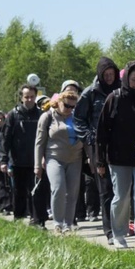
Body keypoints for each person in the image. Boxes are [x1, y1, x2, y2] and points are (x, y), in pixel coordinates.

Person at [96, 61, 135, 251]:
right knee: (121, 197)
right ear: (126, 78)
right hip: (118, 156)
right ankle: (119, 234)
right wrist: (100, 160)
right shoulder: (114, 98)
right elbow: (102, 131)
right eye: (134, 79)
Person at [75, 57, 121, 243]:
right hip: (98, 147)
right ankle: (109, 231)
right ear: (100, 75)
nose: (109, 78)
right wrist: (89, 138)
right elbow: (78, 119)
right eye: (106, 75)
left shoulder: (121, 90)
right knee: (105, 189)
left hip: (119, 145)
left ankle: (122, 226)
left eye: (112, 74)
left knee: (123, 189)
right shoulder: (90, 93)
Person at [35, 89, 84, 234]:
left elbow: (85, 138)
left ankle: (68, 224)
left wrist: (93, 161)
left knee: (72, 192)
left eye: (73, 107)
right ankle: (57, 223)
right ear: (59, 102)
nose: (70, 109)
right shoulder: (47, 117)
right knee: (58, 188)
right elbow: (39, 142)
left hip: (75, 158)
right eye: (67, 106)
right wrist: (37, 165)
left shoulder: (77, 118)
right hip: (54, 158)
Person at [0, 84, 49, 227]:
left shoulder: (41, 115)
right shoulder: (13, 115)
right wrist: (4, 160)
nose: (29, 99)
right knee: (19, 193)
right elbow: (5, 139)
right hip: (18, 161)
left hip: (37, 162)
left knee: (38, 192)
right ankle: (19, 220)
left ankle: (38, 221)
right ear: (21, 98)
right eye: (26, 97)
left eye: (32, 97)